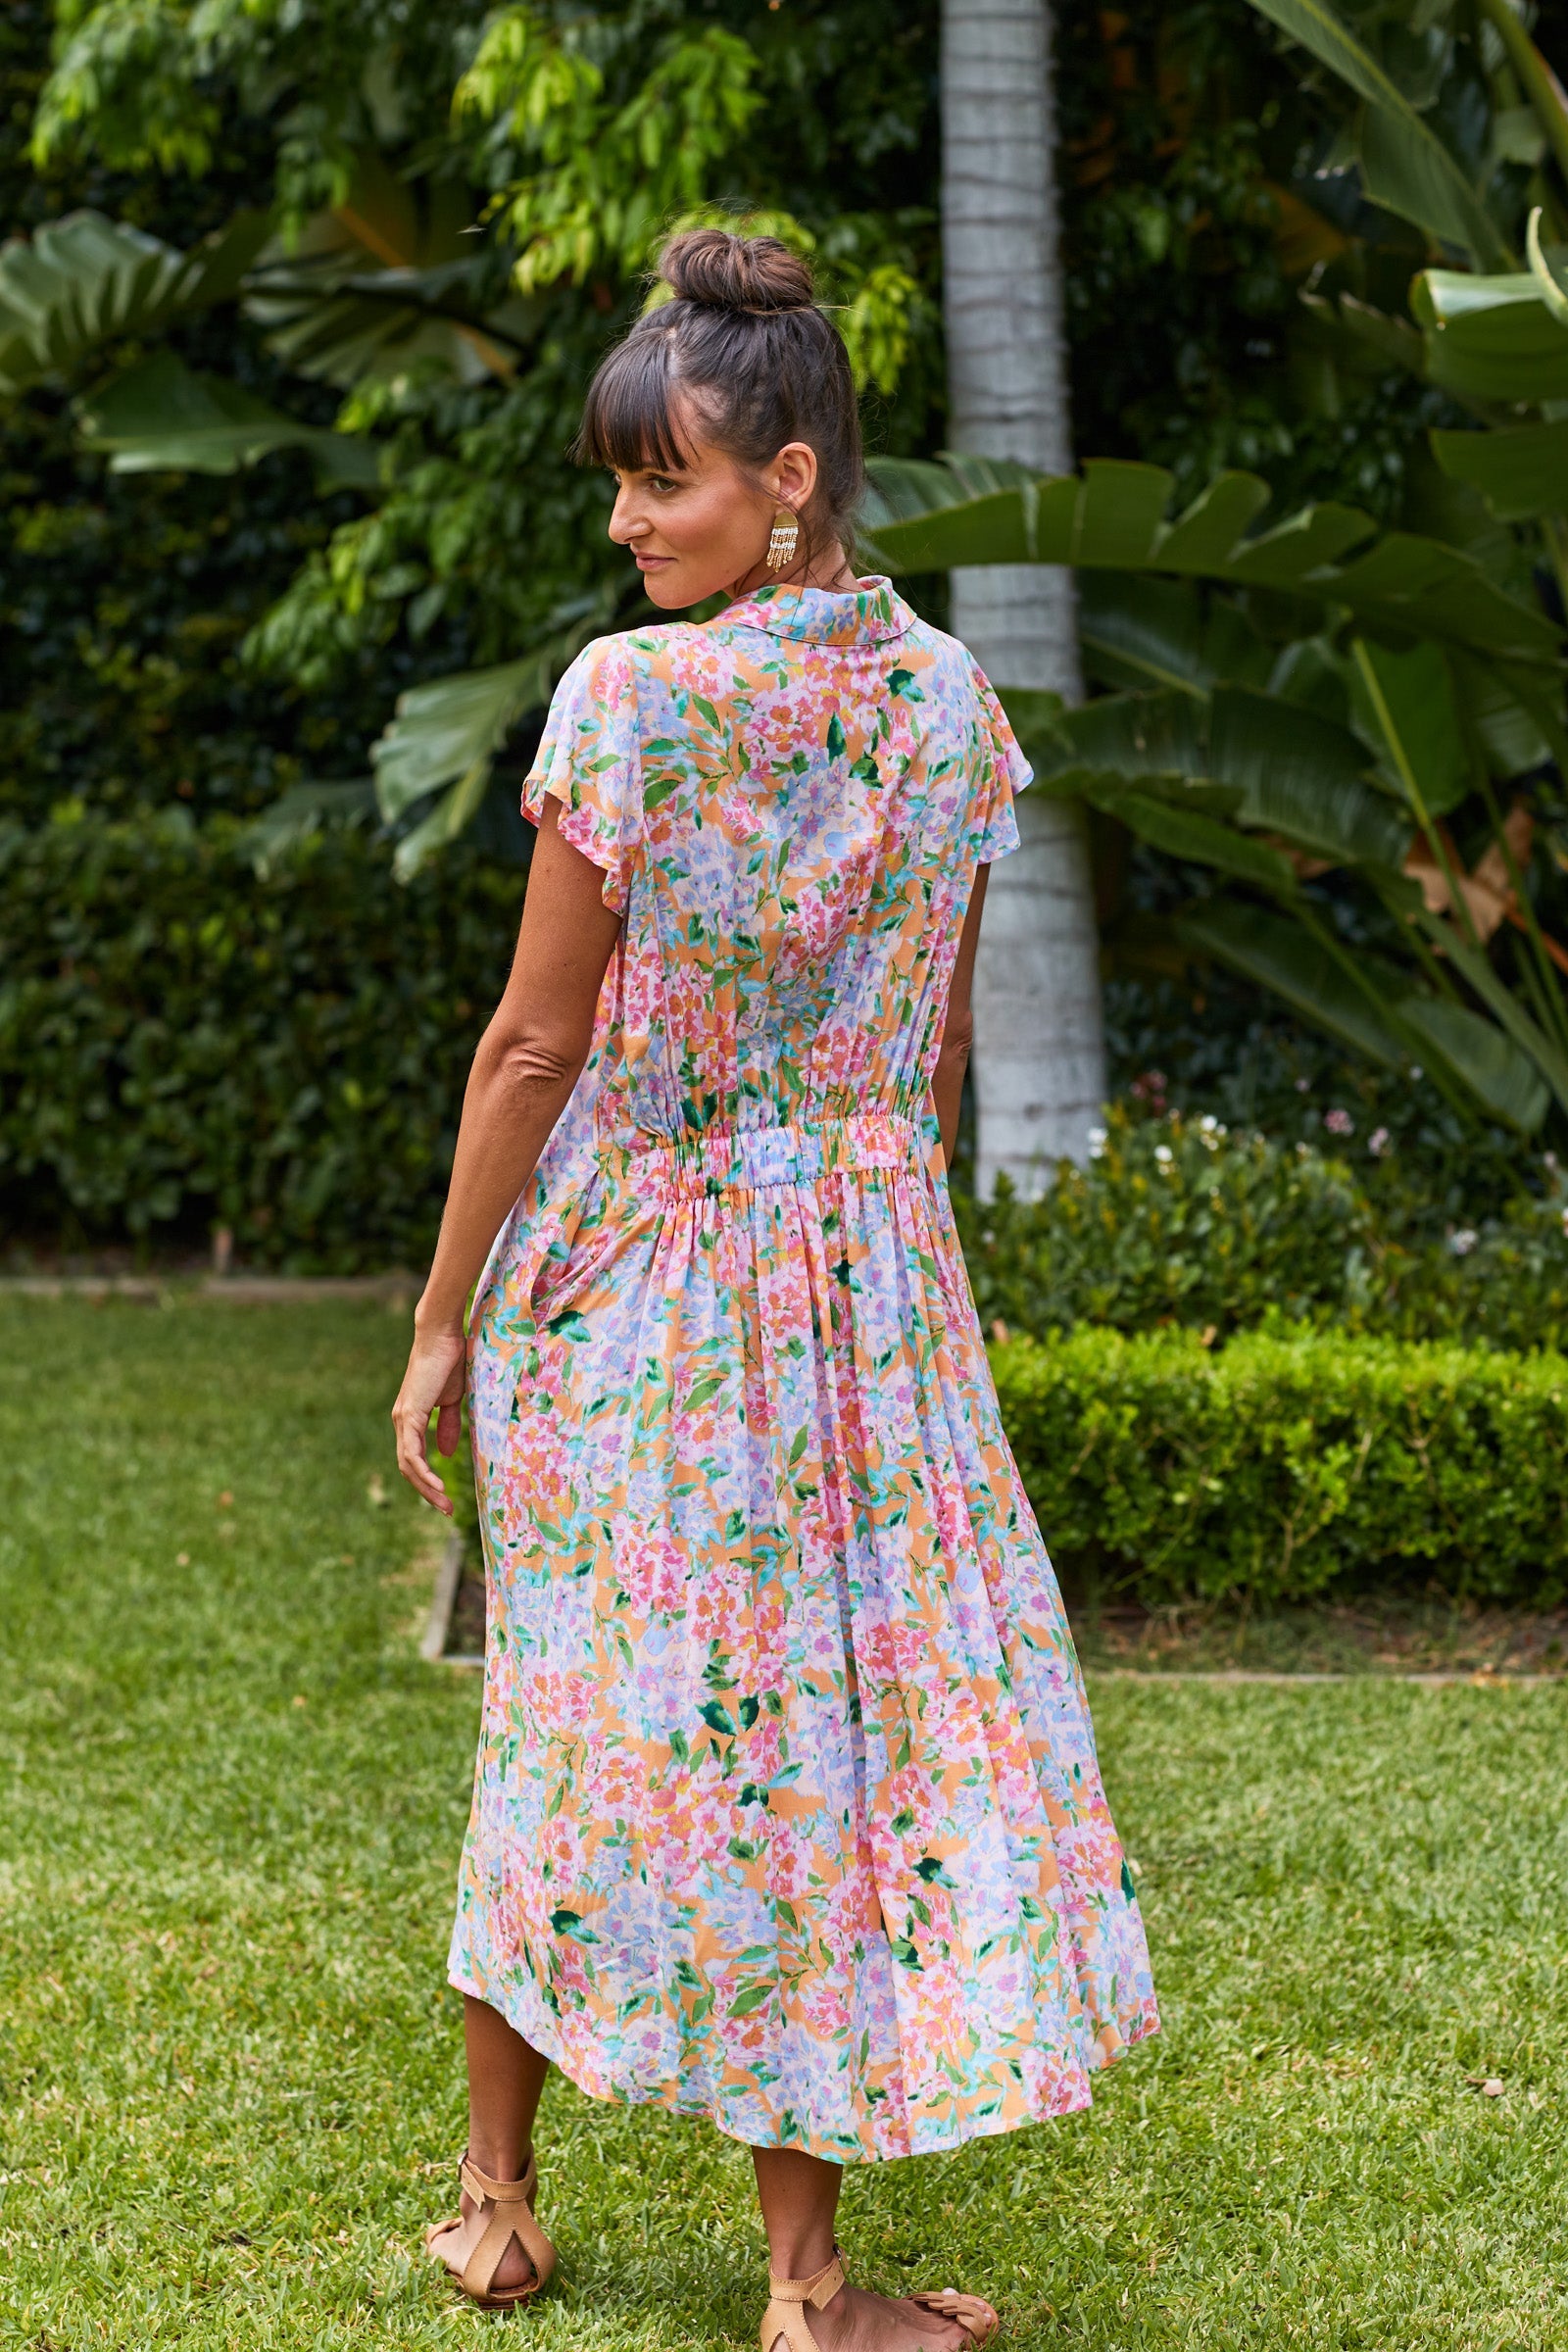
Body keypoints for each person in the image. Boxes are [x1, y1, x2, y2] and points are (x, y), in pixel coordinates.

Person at [392, 226, 1157, 2352]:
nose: (630, 520)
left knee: (580, 1720)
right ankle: (801, 2287)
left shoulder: (633, 699)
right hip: (866, 1278)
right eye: (621, 484)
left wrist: (447, 1317)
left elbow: (533, 1049)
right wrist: (873, 1235)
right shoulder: (946, 705)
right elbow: (926, 1042)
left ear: (792, 474)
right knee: (816, 1749)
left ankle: (499, 2203)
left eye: (667, 481)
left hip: (638, 1271)